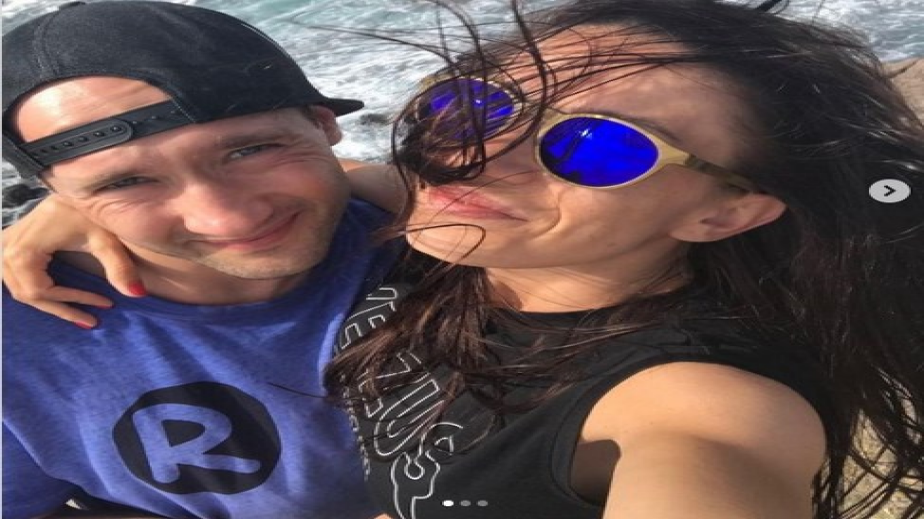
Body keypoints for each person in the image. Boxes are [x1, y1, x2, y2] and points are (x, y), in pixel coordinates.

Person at [5, 0, 924, 518]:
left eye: (601, 146)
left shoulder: (694, 400)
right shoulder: (454, 237)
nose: (479, 160)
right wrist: (79, 201)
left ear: (727, 211)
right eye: (476, 108)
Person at [1, 2, 395, 518]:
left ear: (323, 124)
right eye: (124, 182)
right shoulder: (18, 340)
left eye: (250, 150)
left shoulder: (445, 241)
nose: (226, 219)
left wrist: (409, 190)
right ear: (59, 193)